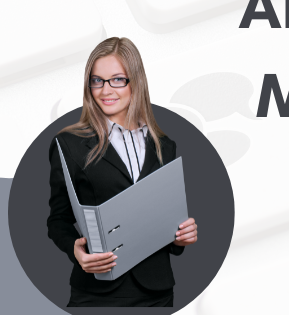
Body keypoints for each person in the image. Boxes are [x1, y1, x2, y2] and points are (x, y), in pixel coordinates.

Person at [47, 37, 197, 307]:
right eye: (97, 80)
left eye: (117, 79)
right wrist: (75, 251)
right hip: (98, 292)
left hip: (156, 293)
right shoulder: (68, 144)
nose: (105, 90)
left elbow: (166, 224)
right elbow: (57, 219)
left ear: (135, 82)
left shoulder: (164, 145)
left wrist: (182, 235)